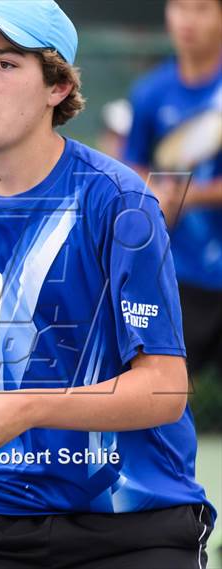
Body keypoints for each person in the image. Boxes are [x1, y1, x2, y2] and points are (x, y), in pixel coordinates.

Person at [0, 1, 216, 568]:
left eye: (5, 65)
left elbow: (165, 390)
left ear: (58, 86)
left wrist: (23, 408)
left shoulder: (120, 203)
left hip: (131, 522)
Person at [124, 0, 222, 379]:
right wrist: (155, 194)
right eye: (179, 7)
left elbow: (186, 191)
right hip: (179, 275)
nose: (187, 20)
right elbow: (135, 164)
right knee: (166, 398)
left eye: (200, 8)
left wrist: (190, 195)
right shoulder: (151, 92)